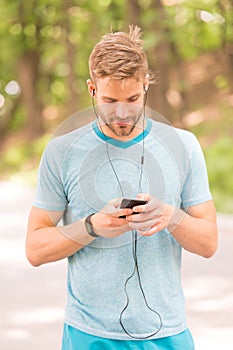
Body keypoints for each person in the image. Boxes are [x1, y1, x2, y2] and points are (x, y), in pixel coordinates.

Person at [26, 26, 218, 350]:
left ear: (146, 85)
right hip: (89, 336)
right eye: (109, 100)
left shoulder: (183, 146)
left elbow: (209, 243)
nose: (121, 113)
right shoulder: (62, 152)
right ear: (91, 89)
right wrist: (91, 226)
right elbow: (35, 249)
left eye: (132, 99)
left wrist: (171, 217)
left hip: (167, 333)